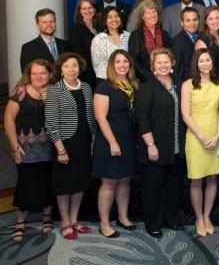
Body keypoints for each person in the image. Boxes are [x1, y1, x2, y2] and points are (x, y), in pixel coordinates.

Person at [45, 52, 96, 240]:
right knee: (64, 184)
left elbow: (90, 117)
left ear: (79, 67)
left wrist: (93, 140)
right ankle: (65, 222)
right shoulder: (55, 89)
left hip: (83, 141)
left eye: (74, 66)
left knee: (80, 183)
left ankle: (75, 220)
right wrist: (60, 149)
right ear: (60, 69)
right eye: (67, 66)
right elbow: (51, 123)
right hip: (64, 143)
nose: (71, 70)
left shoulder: (87, 87)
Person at [135, 48, 185, 238]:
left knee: (173, 187)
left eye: (166, 62)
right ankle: (153, 223)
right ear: (153, 67)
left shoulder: (180, 85)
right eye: (159, 63)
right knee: (153, 188)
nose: (163, 66)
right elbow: (142, 119)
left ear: (172, 64)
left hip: (176, 148)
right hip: (155, 147)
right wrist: (150, 144)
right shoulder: (147, 87)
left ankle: (172, 218)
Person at [4, 60, 55, 242]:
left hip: (51, 147)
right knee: (26, 183)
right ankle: (20, 223)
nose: (39, 77)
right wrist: (13, 146)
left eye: (43, 73)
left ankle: (47, 216)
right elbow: (9, 120)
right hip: (25, 148)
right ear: (29, 75)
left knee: (48, 181)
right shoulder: (20, 92)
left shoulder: (56, 91)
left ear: (49, 74)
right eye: (34, 74)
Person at [92, 50, 140, 238]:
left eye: (125, 61)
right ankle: (104, 223)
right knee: (109, 182)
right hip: (110, 140)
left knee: (126, 180)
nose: (122, 65)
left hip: (129, 140)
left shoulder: (134, 85)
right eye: (118, 61)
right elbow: (100, 117)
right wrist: (112, 142)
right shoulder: (104, 87)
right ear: (112, 65)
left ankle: (123, 216)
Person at [181, 49, 219, 237]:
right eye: (201, 61)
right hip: (195, 136)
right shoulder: (188, 85)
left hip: (216, 135)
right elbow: (185, 114)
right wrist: (201, 137)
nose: (205, 64)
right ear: (196, 63)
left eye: (208, 60)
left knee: (212, 178)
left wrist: (217, 136)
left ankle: (207, 215)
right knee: (196, 179)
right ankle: (199, 217)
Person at [128, 0, 172, 81]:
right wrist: (149, 77)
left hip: (164, 77)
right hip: (143, 80)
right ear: (142, 17)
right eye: (148, 13)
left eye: (154, 12)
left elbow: (170, 56)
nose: (152, 15)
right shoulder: (135, 35)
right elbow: (133, 60)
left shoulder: (165, 34)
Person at [91, 6, 131, 83]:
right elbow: (96, 64)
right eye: (109, 17)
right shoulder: (98, 39)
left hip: (125, 80)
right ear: (105, 21)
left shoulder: (128, 36)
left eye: (116, 16)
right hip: (105, 81)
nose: (114, 19)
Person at [171, 7, 207, 84]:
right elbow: (177, 71)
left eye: (195, 20)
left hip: (205, 81)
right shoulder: (176, 42)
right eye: (188, 20)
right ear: (181, 22)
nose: (192, 23)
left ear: (199, 21)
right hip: (189, 84)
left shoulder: (203, 37)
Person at [69, 0, 98, 88]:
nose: (88, 11)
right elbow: (79, 56)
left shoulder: (99, 28)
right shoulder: (76, 30)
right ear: (79, 11)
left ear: (95, 9)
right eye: (84, 8)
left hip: (100, 74)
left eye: (90, 8)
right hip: (87, 76)